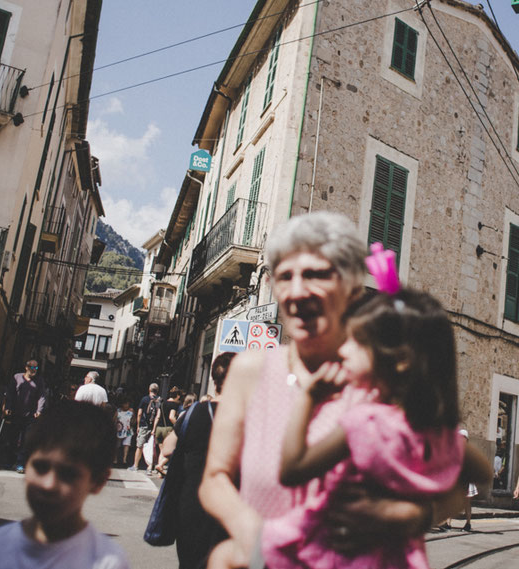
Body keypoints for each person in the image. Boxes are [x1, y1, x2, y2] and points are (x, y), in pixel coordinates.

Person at [201, 212, 479, 568]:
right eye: (285, 276)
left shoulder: (383, 375)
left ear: (352, 288)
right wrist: (256, 538)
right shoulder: (249, 371)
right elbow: (215, 478)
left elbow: (456, 478)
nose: (297, 291)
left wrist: (402, 515)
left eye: (315, 274)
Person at [248, 289, 491, 569]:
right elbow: (482, 472)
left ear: (399, 360)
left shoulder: (364, 423)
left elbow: (291, 470)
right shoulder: (432, 432)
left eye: (355, 341)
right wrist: (418, 514)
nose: (343, 349)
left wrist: (307, 399)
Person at [0, 401, 130, 569]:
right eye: (40, 467)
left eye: (68, 474)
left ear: (98, 481)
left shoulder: (107, 562)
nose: (49, 485)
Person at [171, 353, 236, 569]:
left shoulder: (193, 413)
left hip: (191, 501)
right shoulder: (246, 416)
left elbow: (168, 448)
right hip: (229, 505)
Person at [4, 359, 47, 472]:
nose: (34, 370)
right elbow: (10, 393)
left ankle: (20, 463)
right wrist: (8, 406)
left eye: (36, 368)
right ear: (26, 367)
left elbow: (42, 396)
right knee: (12, 438)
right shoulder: (17, 377)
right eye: (32, 367)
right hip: (16, 413)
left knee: (25, 440)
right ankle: (9, 461)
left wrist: (39, 410)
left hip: (30, 415)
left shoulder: (39, 381)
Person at [131, 382, 161, 472]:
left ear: (149, 389)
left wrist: (138, 425)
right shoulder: (159, 400)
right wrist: (154, 428)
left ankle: (135, 466)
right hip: (153, 427)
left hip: (144, 425)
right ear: (157, 391)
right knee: (151, 447)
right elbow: (158, 416)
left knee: (139, 446)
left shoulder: (144, 399)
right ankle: (149, 467)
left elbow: (139, 413)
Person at [116, 398, 134, 467]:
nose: (126, 405)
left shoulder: (131, 411)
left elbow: (133, 419)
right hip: (119, 430)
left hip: (128, 429)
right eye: (125, 403)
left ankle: (124, 459)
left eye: (127, 404)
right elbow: (115, 419)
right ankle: (115, 459)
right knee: (117, 445)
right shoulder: (118, 411)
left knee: (126, 445)